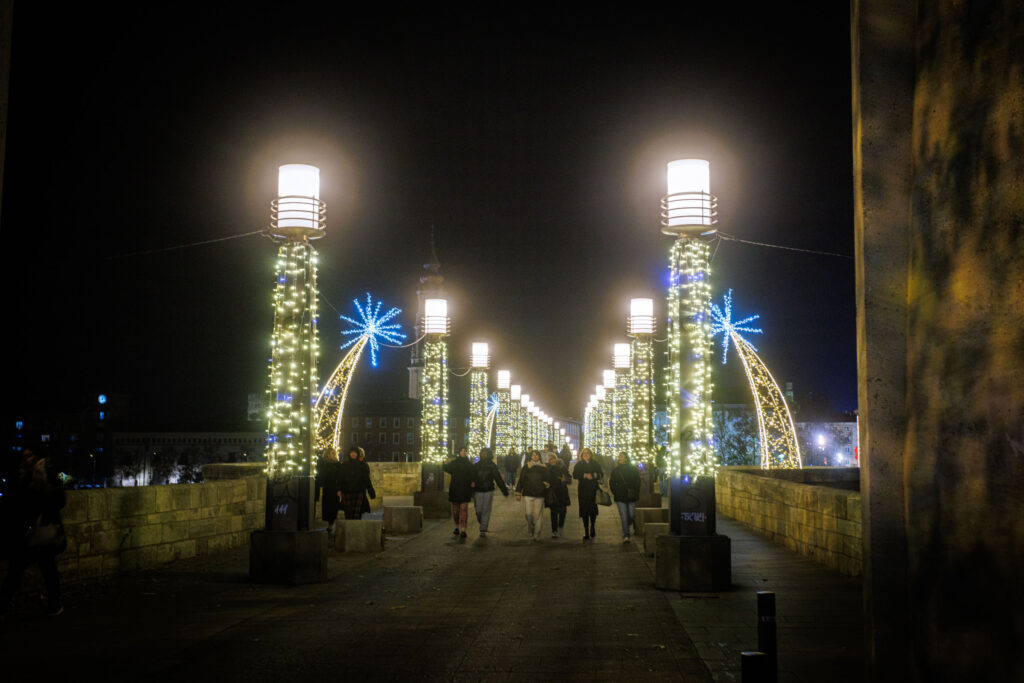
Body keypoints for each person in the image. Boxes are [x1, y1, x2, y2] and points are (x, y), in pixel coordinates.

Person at [0, 448, 66, 618]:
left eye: (29, 455)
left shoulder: (48, 473)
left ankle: (54, 604)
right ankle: (53, 604)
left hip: (42, 529)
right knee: (18, 571)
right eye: (24, 456)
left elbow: (60, 498)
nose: (26, 459)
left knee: (44, 571)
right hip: (27, 532)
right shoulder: (21, 474)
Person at [472, 447, 508, 536]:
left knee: (486, 510)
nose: (483, 454)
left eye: (485, 453)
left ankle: (483, 529)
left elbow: (498, 478)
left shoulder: (492, 466)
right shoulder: (476, 465)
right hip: (478, 490)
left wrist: (504, 490)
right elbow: (471, 477)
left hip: (488, 490)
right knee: (478, 510)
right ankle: (482, 522)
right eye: (482, 453)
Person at [515, 450, 548, 541]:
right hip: (528, 493)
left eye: (536, 455)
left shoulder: (543, 467)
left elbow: (547, 479)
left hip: (540, 494)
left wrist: (546, 486)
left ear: (539, 457)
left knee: (538, 515)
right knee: (528, 514)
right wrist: (518, 492)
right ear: (530, 457)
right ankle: (531, 525)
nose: (534, 456)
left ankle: (537, 534)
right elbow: (521, 480)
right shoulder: (526, 467)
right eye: (533, 455)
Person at [443, 447, 475, 538]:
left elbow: (473, 474)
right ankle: (456, 526)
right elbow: (446, 468)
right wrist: (444, 464)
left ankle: (463, 529)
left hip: (465, 489)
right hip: (455, 488)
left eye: (465, 451)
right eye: (462, 451)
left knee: (464, 510)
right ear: (459, 452)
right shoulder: (454, 463)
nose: (463, 452)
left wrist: (473, 482)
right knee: (456, 511)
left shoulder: (469, 464)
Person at [609, 451, 641, 542]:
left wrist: (636, 490)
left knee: (631, 514)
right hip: (620, 496)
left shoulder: (633, 469)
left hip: (631, 495)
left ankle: (628, 524)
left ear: (626, 458)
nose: (620, 458)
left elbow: (637, 480)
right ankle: (626, 535)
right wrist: (615, 491)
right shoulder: (616, 470)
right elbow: (612, 482)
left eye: (622, 456)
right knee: (623, 516)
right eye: (619, 456)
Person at [573, 447, 603, 541]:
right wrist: (585, 475)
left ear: (590, 454)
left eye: (587, 453)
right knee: (584, 510)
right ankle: (586, 530)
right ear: (581, 455)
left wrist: (593, 475)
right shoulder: (579, 464)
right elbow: (575, 475)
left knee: (593, 509)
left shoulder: (595, 463)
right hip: (583, 490)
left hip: (593, 489)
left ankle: (592, 526)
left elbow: (601, 474)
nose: (586, 454)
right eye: (584, 453)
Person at [338, 446, 375, 520]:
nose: (353, 454)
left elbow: (366, 479)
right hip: (347, 491)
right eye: (351, 452)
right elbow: (340, 478)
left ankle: (355, 530)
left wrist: (371, 491)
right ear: (349, 454)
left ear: (357, 454)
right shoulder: (344, 465)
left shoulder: (362, 465)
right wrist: (339, 489)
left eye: (355, 452)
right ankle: (349, 530)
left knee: (357, 514)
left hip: (358, 491)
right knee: (348, 513)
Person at [315, 447, 342, 533]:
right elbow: (321, 476)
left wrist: (339, 489)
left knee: (334, 507)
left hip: (335, 488)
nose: (334, 454)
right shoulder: (324, 463)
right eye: (332, 453)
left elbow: (340, 477)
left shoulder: (337, 464)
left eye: (334, 453)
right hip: (327, 488)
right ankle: (329, 524)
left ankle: (331, 525)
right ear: (327, 454)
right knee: (327, 507)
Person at [545, 451, 571, 538]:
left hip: (562, 492)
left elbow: (569, 478)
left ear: (556, 459)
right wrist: (559, 480)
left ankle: (560, 526)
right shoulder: (547, 469)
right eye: (550, 459)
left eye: (554, 459)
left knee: (563, 511)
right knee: (554, 513)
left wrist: (566, 479)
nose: (552, 461)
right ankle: (554, 530)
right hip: (553, 493)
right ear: (548, 461)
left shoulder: (562, 467)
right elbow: (547, 480)